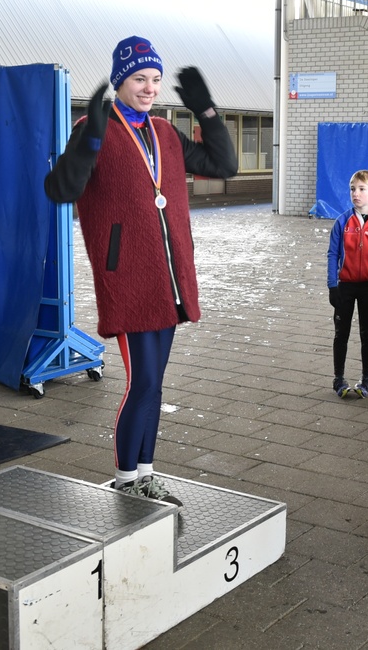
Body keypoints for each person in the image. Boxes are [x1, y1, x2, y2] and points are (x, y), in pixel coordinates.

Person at [44, 36, 237, 505]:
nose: (149, 88)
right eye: (139, 79)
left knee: (155, 385)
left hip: (167, 281)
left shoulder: (165, 133)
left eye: (155, 79)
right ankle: (126, 479)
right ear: (119, 82)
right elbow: (61, 188)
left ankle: (145, 475)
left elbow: (224, 164)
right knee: (143, 383)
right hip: (128, 281)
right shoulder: (94, 128)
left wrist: (207, 112)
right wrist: (88, 142)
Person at [328, 170, 368, 398]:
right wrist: (332, 286)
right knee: (341, 334)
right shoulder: (342, 222)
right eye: (352, 189)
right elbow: (332, 254)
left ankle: (366, 380)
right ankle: (339, 378)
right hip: (345, 287)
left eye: (361, 189)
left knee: (367, 334)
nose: (356, 194)